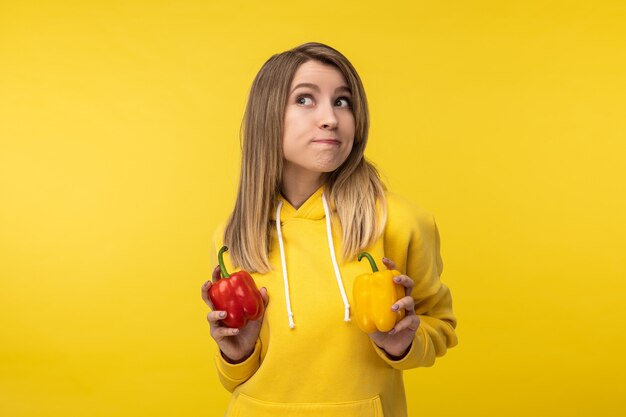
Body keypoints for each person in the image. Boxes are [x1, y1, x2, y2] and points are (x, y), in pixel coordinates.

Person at [201, 42, 458, 417]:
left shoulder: (401, 222)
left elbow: (442, 326)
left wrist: (404, 343)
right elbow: (234, 377)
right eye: (305, 99)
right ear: (267, 116)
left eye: (342, 101)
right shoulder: (233, 236)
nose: (331, 119)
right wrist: (235, 353)